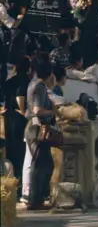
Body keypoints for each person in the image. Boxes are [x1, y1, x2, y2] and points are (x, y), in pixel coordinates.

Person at [25, 61, 58, 211]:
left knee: (42, 164)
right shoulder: (40, 86)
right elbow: (37, 110)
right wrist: (54, 113)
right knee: (40, 165)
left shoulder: (33, 83)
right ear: (50, 74)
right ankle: (35, 200)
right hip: (37, 128)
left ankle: (37, 198)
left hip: (33, 127)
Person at [1, 57, 31, 198]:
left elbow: (6, 101)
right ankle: (20, 186)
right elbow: (20, 97)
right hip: (19, 117)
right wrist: (23, 110)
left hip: (8, 117)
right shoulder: (26, 81)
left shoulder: (8, 82)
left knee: (11, 149)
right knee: (21, 151)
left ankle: (12, 182)